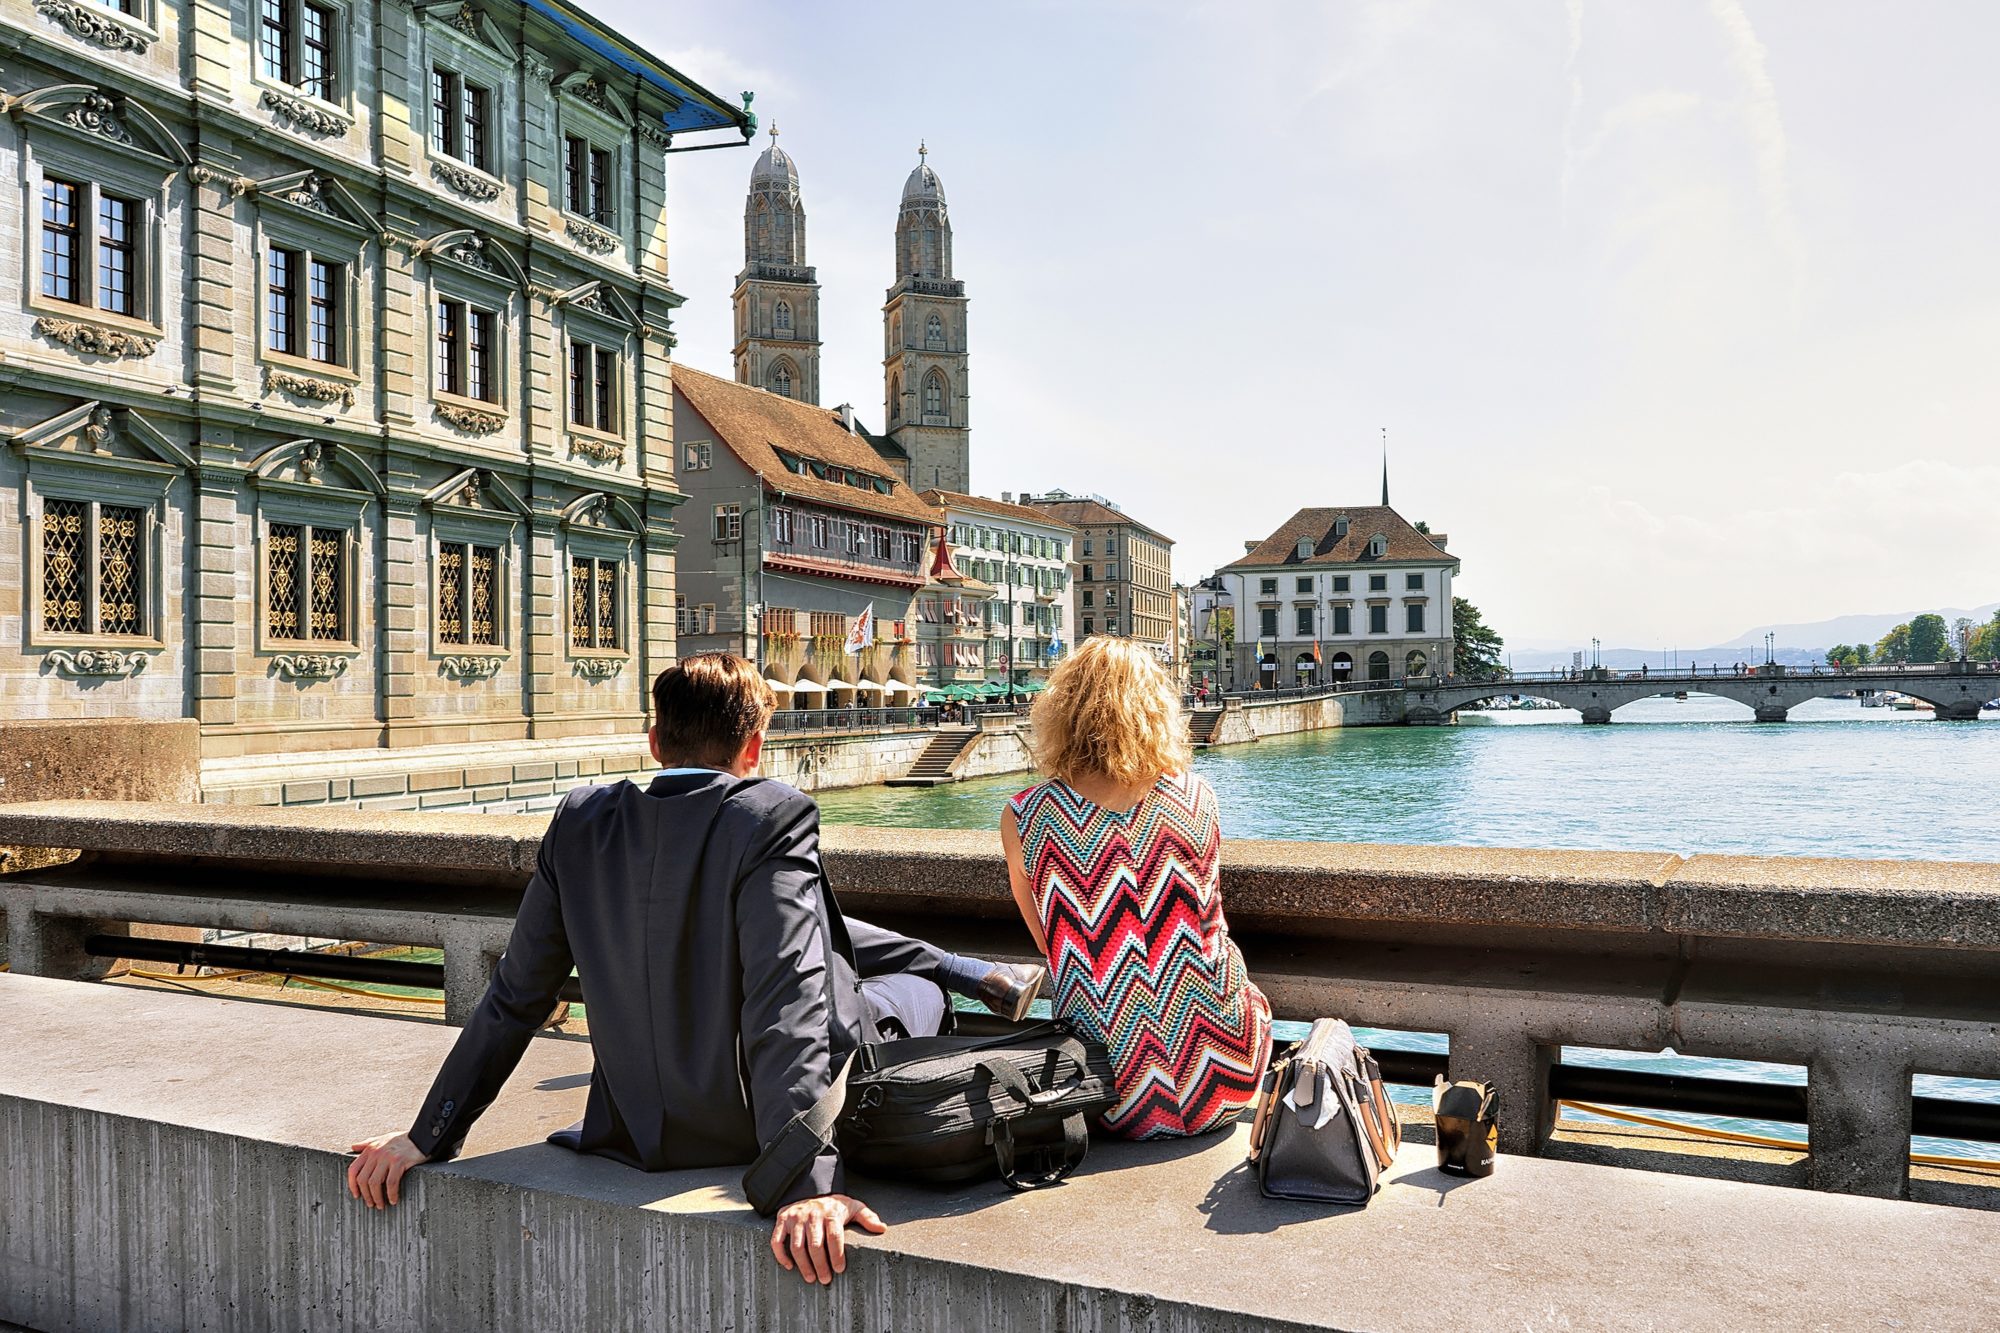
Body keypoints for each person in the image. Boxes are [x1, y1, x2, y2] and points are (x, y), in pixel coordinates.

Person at [345, 654, 1043, 1285]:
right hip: (751, 1126)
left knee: (811, 927)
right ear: (754, 747)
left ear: (655, 742)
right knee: (904, 990)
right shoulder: (773, 814)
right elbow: (787, 1000)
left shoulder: (582, 819)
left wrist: (426, 1133)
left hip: (636, 1136)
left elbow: (515, 996)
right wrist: (801, 1181)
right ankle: (954, 970)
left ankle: (966, 967)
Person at [1000, 637, 1271, 1140]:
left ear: (1062, 712)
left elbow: (1047, 941)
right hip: (1226, 1080)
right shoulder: (1197, 795)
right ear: (1156, 709)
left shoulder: (1026, 816)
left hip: (1103, 1094)